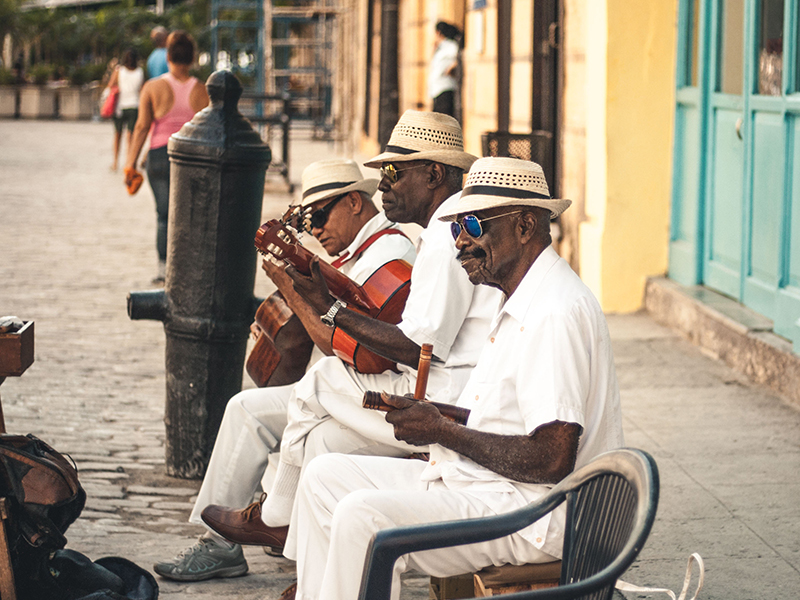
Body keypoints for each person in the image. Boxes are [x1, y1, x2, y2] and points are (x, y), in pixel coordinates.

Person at [178, 110, 502, 575]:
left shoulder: (443, 237)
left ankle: (276, 518)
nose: (384, 183)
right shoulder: (439, 232)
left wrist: (322, 305)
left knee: (322, 379)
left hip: (444, 399)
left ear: (434, 173)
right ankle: (307, 569)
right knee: (323, 438)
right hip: (440, 384)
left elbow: (415, 348)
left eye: (394, 171)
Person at [286, 156, 625, 600]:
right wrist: (436, 417)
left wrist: (442, 431)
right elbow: (509, 418)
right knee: (324, 476)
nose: (461, 241)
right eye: (455, 229)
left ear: (525, 226)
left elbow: (551, 459)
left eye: (473, 224)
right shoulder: (521, 297)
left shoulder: (553, 312)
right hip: (496, 487)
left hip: (535, 513)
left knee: (361, 516)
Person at [152, 158, 418, 581]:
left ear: (354, 202)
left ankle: (270, 527)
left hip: (374, 389)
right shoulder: (358, 252)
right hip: (353, 385)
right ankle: (228, 540)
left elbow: (350, 350)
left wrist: (295, 291)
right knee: (247, 408)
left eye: (319, 216)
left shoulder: (389, 254)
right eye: (307, 221)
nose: (314, 230)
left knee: (277, 410)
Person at [124, 30, 209, 284]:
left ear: (168, 56)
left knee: (164, 215)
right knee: (191, 216)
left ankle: (163, 270)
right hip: (192, 157)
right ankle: (188, 268)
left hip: (160, 156)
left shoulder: (153, 87)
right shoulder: (202, 91)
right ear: (192, 58)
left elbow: (141, 128)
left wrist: (130, 164)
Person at [106, 48, 143, 172]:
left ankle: (115, 162)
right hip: (134, 106)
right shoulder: (139, 72)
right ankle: (129, 162)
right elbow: (141, 89)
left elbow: (110, 85)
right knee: (130, 136)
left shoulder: (119, 71)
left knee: (117, 135)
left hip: (120, 107)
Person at [429, 21, 461, 117]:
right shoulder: (441, 47)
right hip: (437, 89)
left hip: (445, 87)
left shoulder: (450, 45)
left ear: (438, 32)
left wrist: (450, 69)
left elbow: (458, 58)